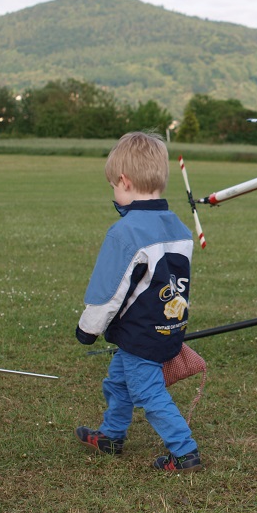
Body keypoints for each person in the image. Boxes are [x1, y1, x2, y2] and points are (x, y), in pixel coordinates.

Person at [74, 131, 203, 473]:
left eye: (113, 186)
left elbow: (109, 290)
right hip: (168, 326)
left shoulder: (125, 233)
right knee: (118, 381)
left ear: (124, 182)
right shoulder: (178, 226)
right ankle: (112, 435)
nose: (113, 193)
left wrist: (88, 329)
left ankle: (184, 451)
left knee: (148, 392)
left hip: (139, 334)